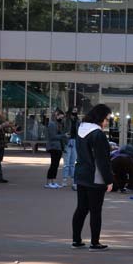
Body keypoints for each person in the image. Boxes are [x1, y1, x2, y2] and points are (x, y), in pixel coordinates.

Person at [73, 104, 115, 250]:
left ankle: (76, 240)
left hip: (81, 173)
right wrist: (109, 180)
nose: (107, 122)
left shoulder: (81, 129)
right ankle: (95, 242)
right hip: (95, 177)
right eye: (107, 119)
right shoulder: (98, 134)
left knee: (81, 209)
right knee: (95, 211)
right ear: (100, 118)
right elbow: (102, 160)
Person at [44, 109, 65, 188]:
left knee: (56, 165)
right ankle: (48, 183)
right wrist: (63, 136)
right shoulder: (52, 124)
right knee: (53, 164)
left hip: (58, 147)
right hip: (53, 146)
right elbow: (53, 136)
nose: (61, 119)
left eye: (62, 117)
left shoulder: (59, 124)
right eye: (60, 117)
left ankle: (53, 182)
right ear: (56, 115)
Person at [62, 107, 79, 190]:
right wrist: (64, 139)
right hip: (67, 141)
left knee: (73, 162)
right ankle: (64, 179)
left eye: (76, 111)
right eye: (74, 110)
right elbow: (62, 130)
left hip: (75, 141)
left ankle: (73, 180)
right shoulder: (65, 120)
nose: (75, 112)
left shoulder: (78, 120)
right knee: (66, 162)